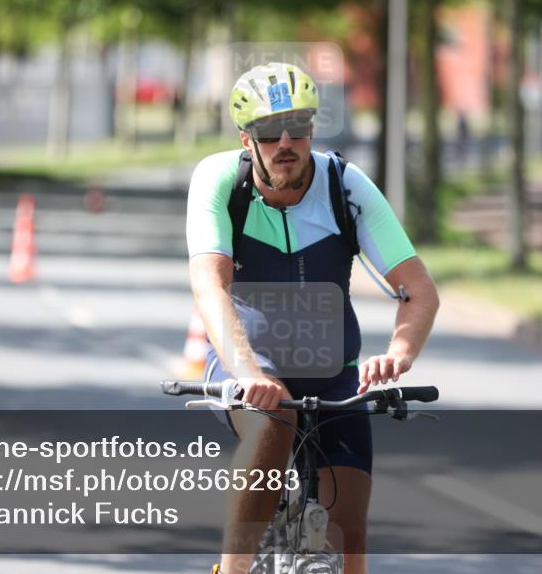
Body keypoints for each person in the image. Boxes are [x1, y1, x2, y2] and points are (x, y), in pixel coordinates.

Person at [186, 62, 439, 574]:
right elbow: (210, 286)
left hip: (334, 374)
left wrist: (399, 354)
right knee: (273, 423)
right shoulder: (219, 181)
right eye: (268, 132)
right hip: (246, 368)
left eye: (298, 127)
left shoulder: (346, 187)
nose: (286, 142)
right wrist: (249, 372)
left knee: (350, 534)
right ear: (246, 138)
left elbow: (419, 291)